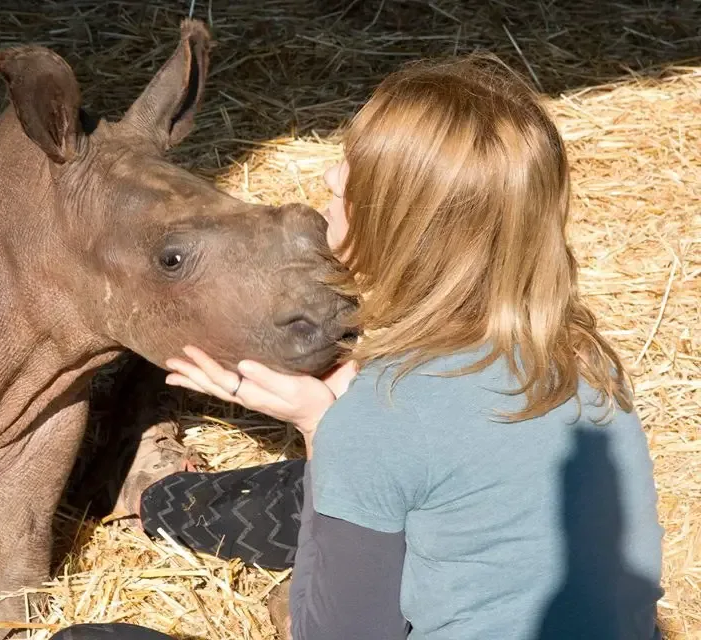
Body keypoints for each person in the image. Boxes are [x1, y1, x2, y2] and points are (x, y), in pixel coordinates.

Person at [50, 52, 665, 640]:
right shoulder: (583, 358)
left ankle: (157, 503)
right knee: (326, 492)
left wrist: (323, 431)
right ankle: (157, 502)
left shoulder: (381, 421)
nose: (329, 175)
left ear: (400, 218)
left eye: (355, 167)